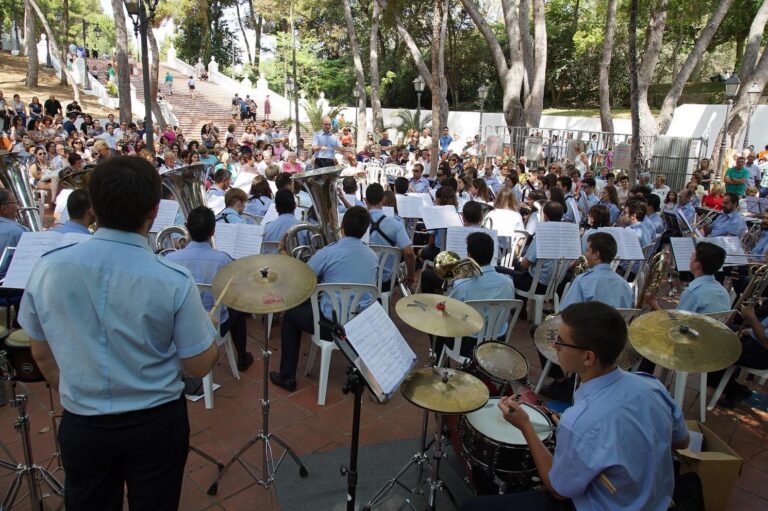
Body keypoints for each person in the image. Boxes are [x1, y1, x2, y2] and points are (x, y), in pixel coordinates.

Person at [18, 155, 218, 510]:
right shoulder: (173, 280)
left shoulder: (48, 268)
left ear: (93, 208)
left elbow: (41, 353)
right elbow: (199, 365)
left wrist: (78, 393)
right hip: (156, 422)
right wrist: (211, 330)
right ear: (154, 211)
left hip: (84, 423)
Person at [461, 302, 689, 511]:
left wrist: (526, 426)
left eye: (560, 342)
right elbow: (682, 441)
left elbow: (558, 489)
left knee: (472, 508)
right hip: (658, 502)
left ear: (588, 357)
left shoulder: (580, 421)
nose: (554, 345)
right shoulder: (651, 385)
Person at [270, 206, 378, 391]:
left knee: (290, 316)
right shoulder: (372, 256)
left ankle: (287, 377)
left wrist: (284, 254)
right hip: (360, 325)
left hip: (330, 326)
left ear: (342, 226)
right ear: (365, 230)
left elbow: (303, 277)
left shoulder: (328, 253)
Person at [166, 207, 253, 372]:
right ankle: (242, 357)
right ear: (213, 231)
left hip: (181, 324)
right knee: (237, 309)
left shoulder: (170, 259)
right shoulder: (223, 260)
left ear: (187, 228)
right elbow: (235, 290)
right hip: (216, 324)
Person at [436, 232, 516, 358]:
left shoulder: (462, 285)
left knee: (437, 323)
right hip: (498, 342)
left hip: (467, 345)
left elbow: (448, 311)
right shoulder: (508, 282)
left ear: (469, 255)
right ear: (492, 254)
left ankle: (438, 363)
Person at [645, 242, 730, 313]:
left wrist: (653, 303)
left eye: (692, 256)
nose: (690, 259)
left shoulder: (692, 292)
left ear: (697, 265)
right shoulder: (723, 291)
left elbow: (677, 323)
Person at [561, 232, 633, 309]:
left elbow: (566, 312)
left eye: (587, 250)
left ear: (596, 255)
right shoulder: (625, 285)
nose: (585, 254)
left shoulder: (581, 281)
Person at [365, 183, 416, 290]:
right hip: (386, 282)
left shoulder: (358, 222)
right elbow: (409, 253)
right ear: (383, 199)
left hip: (364, 281)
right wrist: (411, 275)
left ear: (365, 200)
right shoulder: (397, 224)